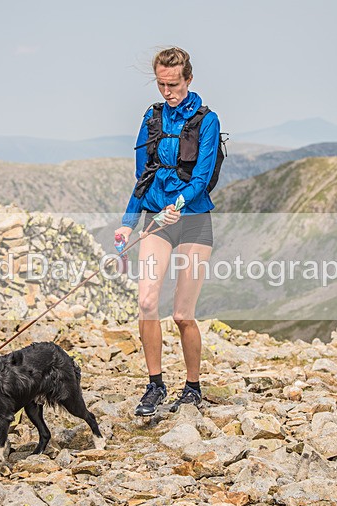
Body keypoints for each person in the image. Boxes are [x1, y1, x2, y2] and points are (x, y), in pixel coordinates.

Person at [115, 47, 220, 416]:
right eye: (161, 84)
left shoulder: (207, 120)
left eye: (173, 84)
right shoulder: (152, 118)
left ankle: (192, 387)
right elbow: (141, 177)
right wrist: (127, 224)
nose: (167, 92)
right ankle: (155, 386)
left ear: (188, 79)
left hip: (192, 219)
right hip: (156, 222)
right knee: (146, 303)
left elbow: (203, 177)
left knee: (181, 314)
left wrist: (176, 204)